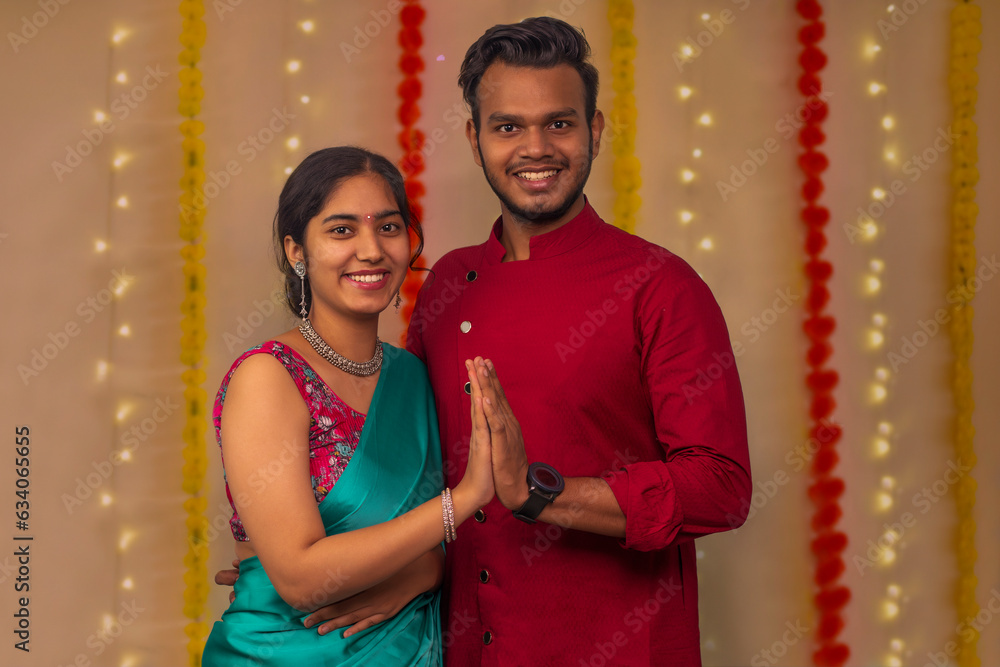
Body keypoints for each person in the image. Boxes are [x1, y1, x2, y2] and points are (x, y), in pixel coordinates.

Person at [401, 17, 752, 666]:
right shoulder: (448, 284)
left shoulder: (661, 286)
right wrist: (301, 554)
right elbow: (410, 465)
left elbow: (721, 485)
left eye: (558, 123)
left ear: (594, 129)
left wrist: (541, 494)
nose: (536, 147)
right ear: (477, 139)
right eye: (508, 127)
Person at [201, 146, 496, 666]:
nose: (371, 250)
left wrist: (426, 571)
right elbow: (300, 579)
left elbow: (452, 548)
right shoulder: (268, 378)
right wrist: (466, 497)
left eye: (388, 227)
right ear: (297, 252)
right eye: (341, 230)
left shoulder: (413, 376)